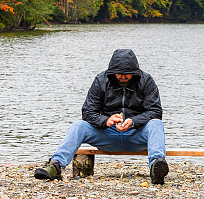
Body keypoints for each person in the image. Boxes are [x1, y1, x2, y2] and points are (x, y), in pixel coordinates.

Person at [34, 49, 169, 184]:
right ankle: (56, 165)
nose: (123, 77)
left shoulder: (146, 81)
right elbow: (87, 112)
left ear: (135, 72)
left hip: (136, 135)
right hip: (107, 135)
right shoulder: (101, 80)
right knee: (78, 125)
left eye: (127, 74)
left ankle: (156, 168)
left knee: (156, 123)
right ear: (112, 72)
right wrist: (105, 121)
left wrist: (134, 121)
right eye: (119, 74)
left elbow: (155, 111)